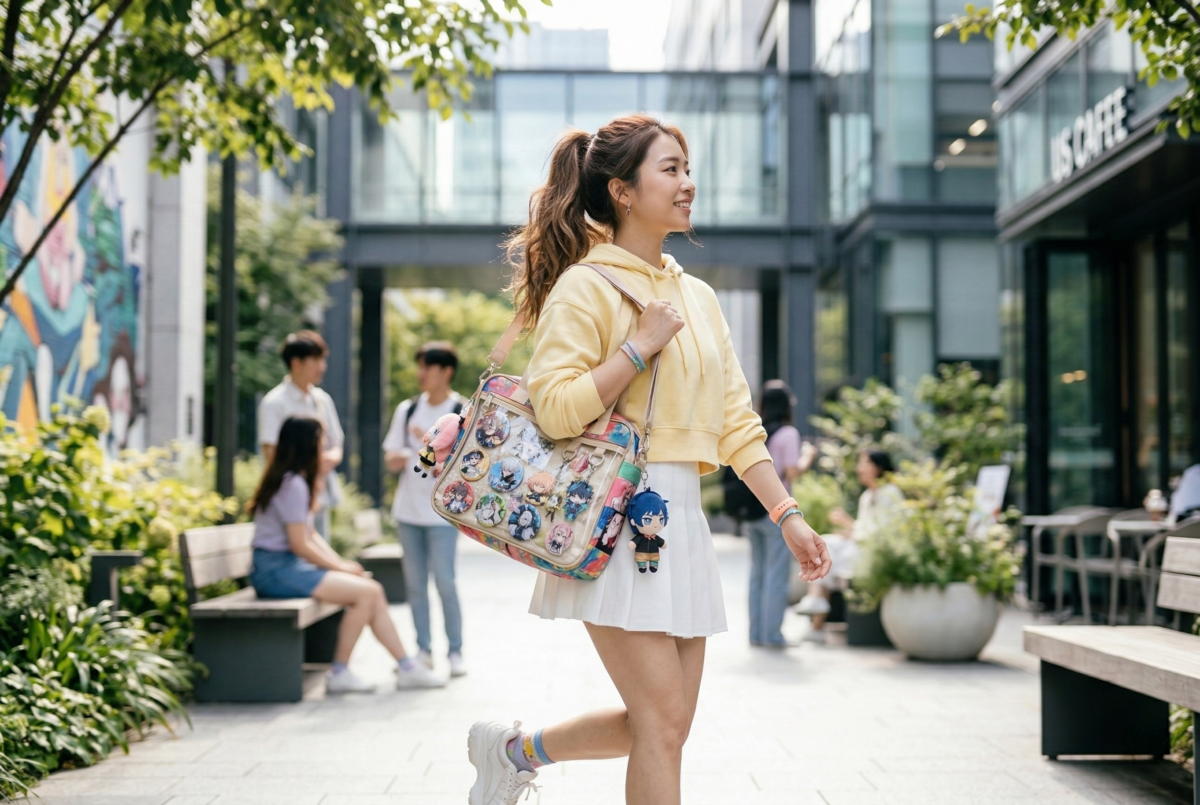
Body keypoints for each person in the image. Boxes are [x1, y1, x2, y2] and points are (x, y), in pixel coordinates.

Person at [464, 115, 831, 805]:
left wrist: (788, 515)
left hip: (680, 519)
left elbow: (737, 424)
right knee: (661, 723)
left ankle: (513, 751)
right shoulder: (587, 286)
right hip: (610, 515)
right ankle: (510, 751)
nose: (688, 183)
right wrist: (636, 347)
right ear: (623, 191)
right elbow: (554, 407)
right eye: (671, 168)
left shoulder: (699, 297)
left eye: (687, 168)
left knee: (664, 725)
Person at [247, 416, 445, 692]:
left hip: (284, 566)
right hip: (275, 569)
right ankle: (342, 672)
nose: (325, 446)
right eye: (320, 440)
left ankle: (406, 667)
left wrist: (339, 564)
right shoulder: (293, 484)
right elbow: (299, 544)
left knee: (371, 591)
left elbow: (310, 536)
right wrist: (339, 568)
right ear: (307, 444)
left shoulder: (295, 480)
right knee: (366, 593)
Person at [382, 341, 469, 678]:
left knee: (445, 582)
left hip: (444, 516)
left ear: (445, 371)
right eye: (419, 366)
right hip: (408, 513)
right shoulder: (407, 409)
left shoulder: (463, 410)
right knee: (415, 585)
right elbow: (390, 458)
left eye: (427, 367)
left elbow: (471, 463)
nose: (420, 374)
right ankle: (423, 650)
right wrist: (416, 453)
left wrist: (437, 455)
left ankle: (456, 651)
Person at [796, 448, 902, 642]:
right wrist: (849, 532)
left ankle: (817, 616)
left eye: (864, 463)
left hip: (876, 554)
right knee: (827, 542)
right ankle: (816, 608)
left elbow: (883, 535)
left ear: (878, 468)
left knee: (829, 553)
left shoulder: (890, 494)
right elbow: (864, 529)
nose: (859, 468)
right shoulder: (867, 496)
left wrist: (848, 525)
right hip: (860, 546)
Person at [742, 381, 818, 648]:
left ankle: (756, 634)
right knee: (776, 573)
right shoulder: (787, 433)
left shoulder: (757, 430)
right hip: (778, 512)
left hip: (753, 509)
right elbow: (792, 471)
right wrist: (808, 455)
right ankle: (772, 635)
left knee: (758, 573)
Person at [258, 331, 345, 539]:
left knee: (318, 554)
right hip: (289, 500)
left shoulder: (322, 400)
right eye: (315, 360)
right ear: (296, 363)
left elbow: (336, 444)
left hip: (319, 496)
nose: (322, 367)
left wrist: (330, 458)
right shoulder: (275, 403)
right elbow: (271, 454)